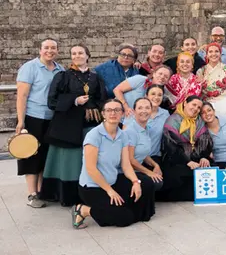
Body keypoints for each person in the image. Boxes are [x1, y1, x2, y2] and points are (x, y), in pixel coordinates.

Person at [70, 100, 155, 229]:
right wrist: (109, 191)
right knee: (125, 218)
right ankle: (83, 210)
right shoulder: (94, 135)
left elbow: (126, 165)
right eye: (109, 110)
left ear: (122, 114)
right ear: (103, 114)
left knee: (146, 183)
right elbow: (91, 169)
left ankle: (121, 209)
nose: (113, 113)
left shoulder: (123, 135)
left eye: (117, 110)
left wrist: (135, 182)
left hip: (113, 181)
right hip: (93, 187)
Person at [41, 44, 107, 207]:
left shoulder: (95, 77)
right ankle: (67, 194)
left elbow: (102, 98)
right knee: (69, 162)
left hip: (90, 125)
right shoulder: (62, 76)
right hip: (68, 126)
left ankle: (89, 192)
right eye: (74, 53)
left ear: (87, 55)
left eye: (80, 53)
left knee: (91, 160)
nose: (77, 56)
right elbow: (52, 102)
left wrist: (94, 108)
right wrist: (74, 101)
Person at [15, 38, 64, 208]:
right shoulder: (30, 68)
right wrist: (21, 121)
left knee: (46, 155)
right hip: (33, 117)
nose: (50, 51)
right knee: (31, 155)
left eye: (53, 48)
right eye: (46, 48)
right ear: (40, 50)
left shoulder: (60, 69)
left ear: (57, 50)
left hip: (52, 118)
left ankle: (42, 191)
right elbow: (22, 95)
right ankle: (32, 194)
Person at [157, 96, 213, 202]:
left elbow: (205, 140)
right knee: (180, 174)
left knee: (209, 168)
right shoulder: (172, 120)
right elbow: (171, 145)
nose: (196, 109)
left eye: (198, 107)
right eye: (193, 105)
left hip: (196, 157)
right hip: (176, 158)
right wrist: (188, 161)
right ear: (185, 103)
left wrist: (204, 157)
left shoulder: (199, 121)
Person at [122, 84, 169, 167]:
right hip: (135, 157)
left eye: (160, 95)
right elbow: (125, 141)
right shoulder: (133, 114)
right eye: (153, 94)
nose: (156, 97)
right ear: (146, 96)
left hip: (154, 157)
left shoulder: (165, 114)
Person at [123, 98, 164, 190]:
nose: (144, 111)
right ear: (134, 111)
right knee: (155, 182)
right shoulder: (130, 131)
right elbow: (130, 159)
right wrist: (149, 173)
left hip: (137, 169)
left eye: (147, 108)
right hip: (125, 172)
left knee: (159, 178)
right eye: (140, 108)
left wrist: (155, 165)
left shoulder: (146, 129)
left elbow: (142, 153)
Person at [200, 102, 226, 169]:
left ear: (214, 111)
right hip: (218, 162)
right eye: (203, 113)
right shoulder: (202, 129)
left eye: (209, 110)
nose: (207, 114)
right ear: (201, 116)